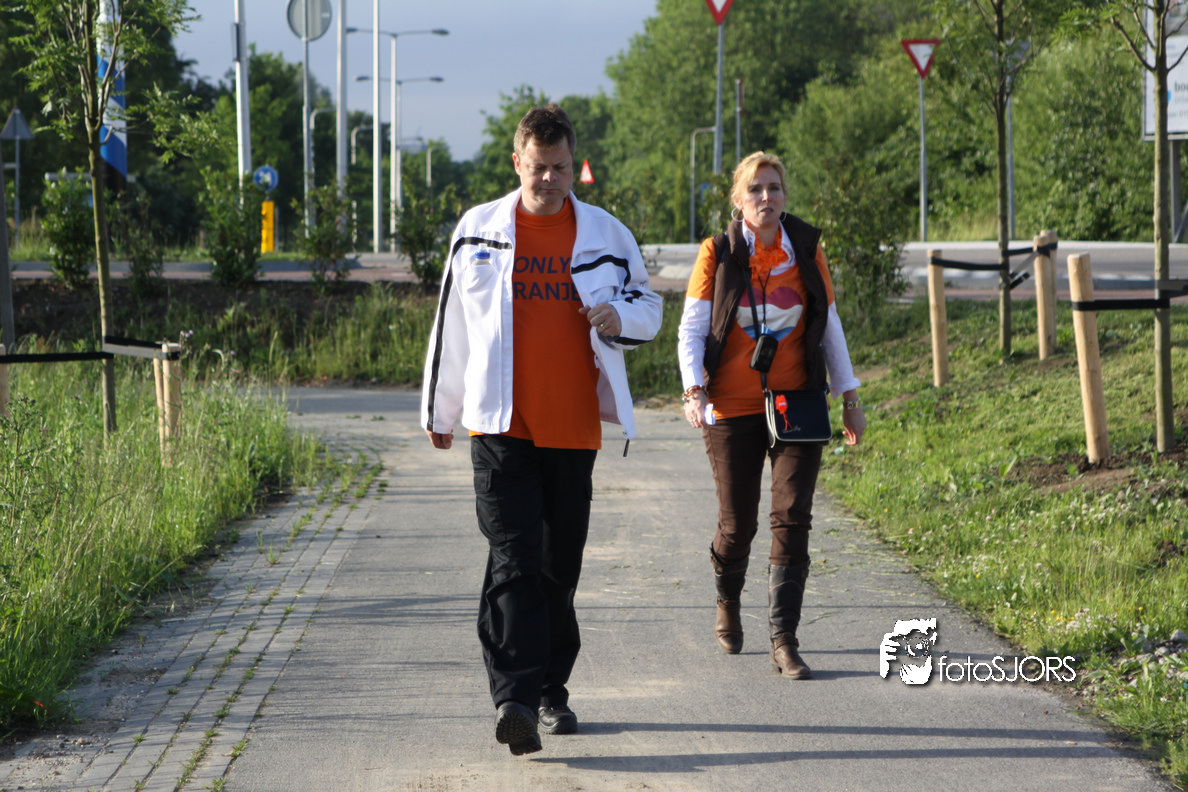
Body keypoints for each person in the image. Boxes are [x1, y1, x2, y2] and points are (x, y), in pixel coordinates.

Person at [421, 104, 662, 755]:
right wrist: (440, 412)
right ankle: (516, 701)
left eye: (560, 167)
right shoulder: (478, 231)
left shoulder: (606, 232)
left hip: (573, 428)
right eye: (538, 167)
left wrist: (620, 318)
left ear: (572, 164)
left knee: (559, 568)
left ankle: (551, 689)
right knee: (513, 559)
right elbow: (451, 328)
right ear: (516, 162)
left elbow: (649, 303)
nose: (549, 179)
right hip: (498, 426)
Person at [676, 151, 866, 680]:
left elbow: (829, 324)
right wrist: (694, 391)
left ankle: (785, 640)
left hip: (797, 402)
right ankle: (727, 599)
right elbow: (691, 330)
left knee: (793, 515)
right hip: (731, 406)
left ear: (784, 196)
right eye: (755, 189)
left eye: (774, 188)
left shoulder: (805, 249)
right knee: (737, 525)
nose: (766, 197)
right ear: (738, 200)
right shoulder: (717, 253)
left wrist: (849, 396)